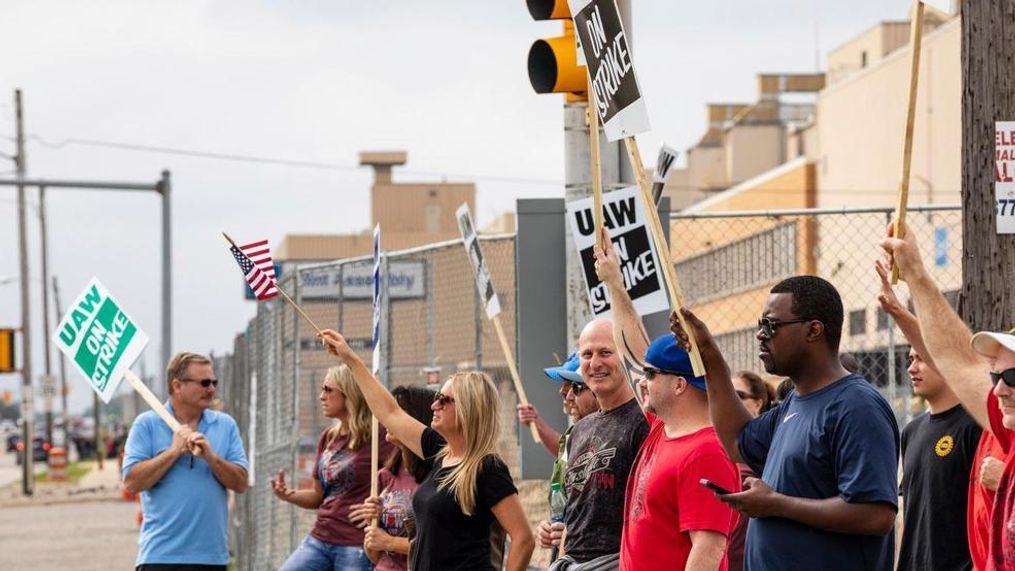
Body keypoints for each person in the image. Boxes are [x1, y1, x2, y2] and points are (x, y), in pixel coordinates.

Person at [675, 276, 899, 570]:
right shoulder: (795, 403)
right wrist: (709, 353)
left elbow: (876, 514)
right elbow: (736, 441)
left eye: (770, 325)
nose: (761, 335)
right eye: (760, 325)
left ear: (813, 330)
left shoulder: (856, 406)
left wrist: (776, 504)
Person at [318, 328, 534, 571]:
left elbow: (524, 539)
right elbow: (390, 412)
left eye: (444, 399)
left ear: (467, 408)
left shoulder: (486, 467)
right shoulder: (440, 450)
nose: (434, 405)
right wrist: (350, 359)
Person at [879, 224, 1015, 568]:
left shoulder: (974, 427)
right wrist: (912, 279)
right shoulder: (916, 430)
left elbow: (959, 364)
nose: (998, 388)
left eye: (1011, 376)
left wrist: (917, 275)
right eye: (996, 375)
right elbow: (958, 361)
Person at [875, 259, 980, 570]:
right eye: (909, 358)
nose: (911, 367)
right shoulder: (912, 431)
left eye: (920, 358)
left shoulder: (975, 423)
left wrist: (900, 307)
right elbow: (913, 511)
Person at [122, 352, 249, 571]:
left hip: (211, 558)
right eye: (204, 382)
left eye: (214, 382)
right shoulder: (147, 424)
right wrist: (173, 452)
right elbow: (132, 482)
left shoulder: (225, 425)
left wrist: (211, 457)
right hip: (160, 558)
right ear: (177, 385)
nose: (211, 389)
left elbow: (240, 483)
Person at [271, 365, 393, 571]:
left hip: (356, 543)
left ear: (348, 393)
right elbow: (318, 496)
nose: (321, 396)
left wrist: (382, 506)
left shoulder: (378, 435)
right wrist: (289, 494)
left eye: (328, 389)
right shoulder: (328, 437)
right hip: (320, 538)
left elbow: (404, 480)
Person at [347, 385, 435, 571]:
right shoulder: (384, 476)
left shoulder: (436, 477)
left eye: (397, 412)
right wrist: (373, 529)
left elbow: (438, 546)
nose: (388, 418)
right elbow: (375, 555)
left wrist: (390, 542)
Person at [517, 353, 600, 492]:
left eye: (574, 385)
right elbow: (568, 451)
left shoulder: (607, 431)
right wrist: (536, 422)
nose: (563, 391)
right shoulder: (581, 429)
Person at [726, 371, 775, 571]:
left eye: (738, 395)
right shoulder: (714, 443)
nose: (728, 401)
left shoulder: (770, 445)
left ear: (758, 403)